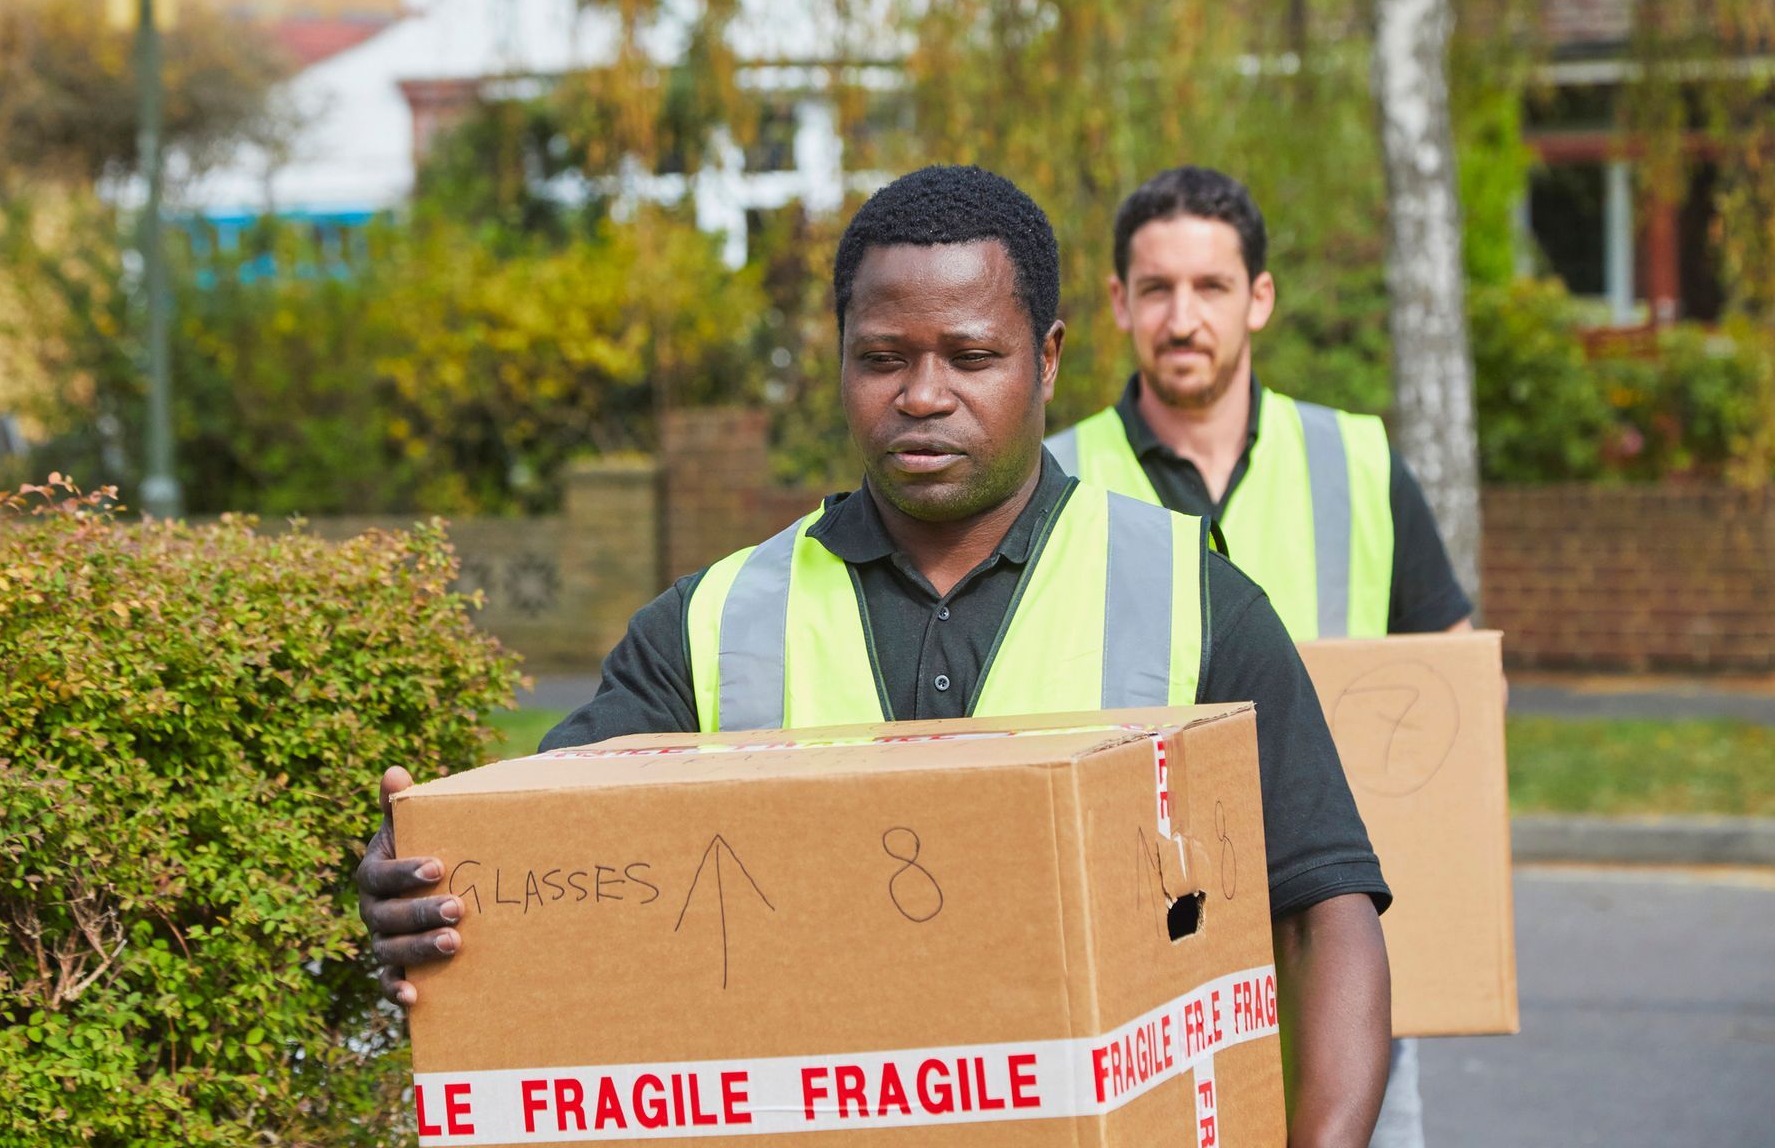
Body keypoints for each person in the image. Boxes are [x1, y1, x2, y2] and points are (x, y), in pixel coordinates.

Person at [359, 165, 1395, 1145]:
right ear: (842, 355)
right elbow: (534, 861)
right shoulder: (710, 624)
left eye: (972, 356)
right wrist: (427, 880)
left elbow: (1324, 909)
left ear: (1050, 356)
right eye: (884, 357)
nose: (922, 394)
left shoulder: (1190, 597)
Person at [1047, 165, 1474, 1148]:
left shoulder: (1360, 465)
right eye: (1156, 289)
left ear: (1261, 298)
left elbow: (1450, 701)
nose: (1183, 316)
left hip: (1340, 963)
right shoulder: (1053, 482)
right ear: (1118, 303)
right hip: (1143, 1000)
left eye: (1212, 287)